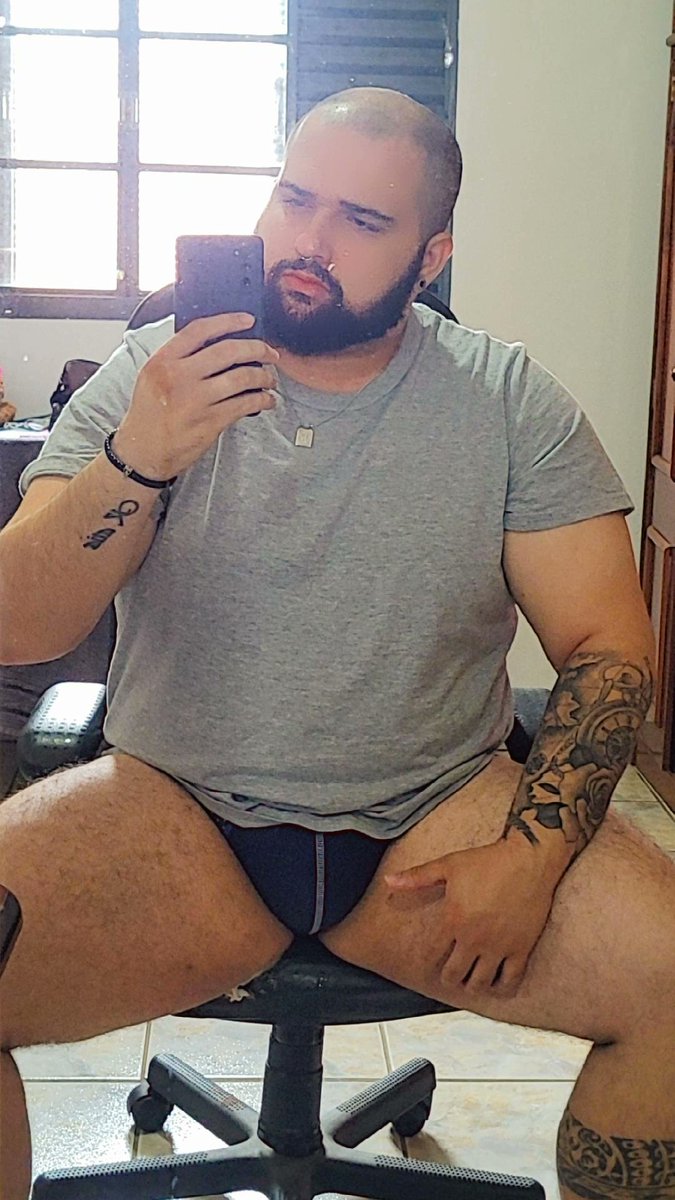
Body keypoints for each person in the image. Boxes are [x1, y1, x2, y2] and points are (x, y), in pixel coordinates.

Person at [0, 85, 672, 1200]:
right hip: (178, 812)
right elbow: (21, 624)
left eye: (362, 221)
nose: (309, 243)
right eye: (295, 200)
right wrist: (141, 456)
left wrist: (534, 855)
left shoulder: (509, 401)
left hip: (431, 817)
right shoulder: (148, 381)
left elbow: (609, 647)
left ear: (430, 255)